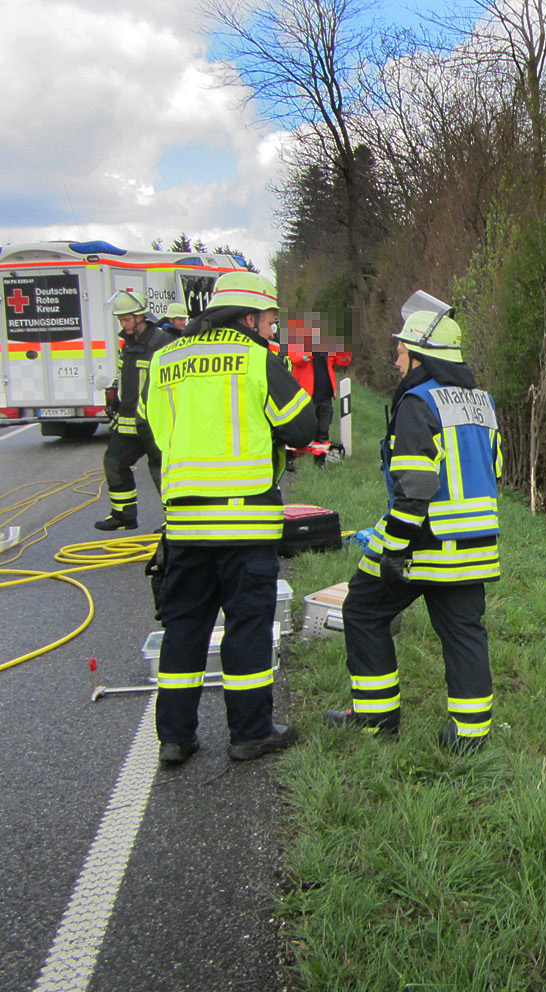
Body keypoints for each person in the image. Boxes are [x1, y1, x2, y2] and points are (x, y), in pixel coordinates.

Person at [141, 271, 317, 765]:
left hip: (185, 525)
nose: (271, 328)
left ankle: (174, 738)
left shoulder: (165, 358)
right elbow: (301, 427)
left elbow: (154, 428)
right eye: (267, 319)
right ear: (246, 317)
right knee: (246, 628)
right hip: (245, 525)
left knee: (184, 629)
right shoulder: (256, 359)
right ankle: (250, 733)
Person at [326, 304, 502, 753]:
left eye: (403, 348)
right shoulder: (483, 402)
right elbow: (495, 468)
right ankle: (469, 736)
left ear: (423, 354)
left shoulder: (417, 403)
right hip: (477, 545)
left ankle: (376, 718)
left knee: (363, 611)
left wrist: (395, 551)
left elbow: (414, 490)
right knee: (464, 631)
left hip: (424, 542)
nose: (398, 356)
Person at [94, 289, 174, 531]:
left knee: (161, 470)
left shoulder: (162, 342)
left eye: (126, 319)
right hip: (128, 420)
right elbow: (126, 375)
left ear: (141, 317)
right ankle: (123, 515)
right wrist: (115, 399)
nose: (123, 324)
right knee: (113, 461)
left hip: (154, 422)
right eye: (120, 320)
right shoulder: (129, 343)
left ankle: (175, 521)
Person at [284, 314, 351, 449]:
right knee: (300, 428)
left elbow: (344, 361)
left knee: (323, 430)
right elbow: (297, 359)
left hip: (325, 395)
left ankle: (320, 458)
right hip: (305, 395)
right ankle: (291, 457)